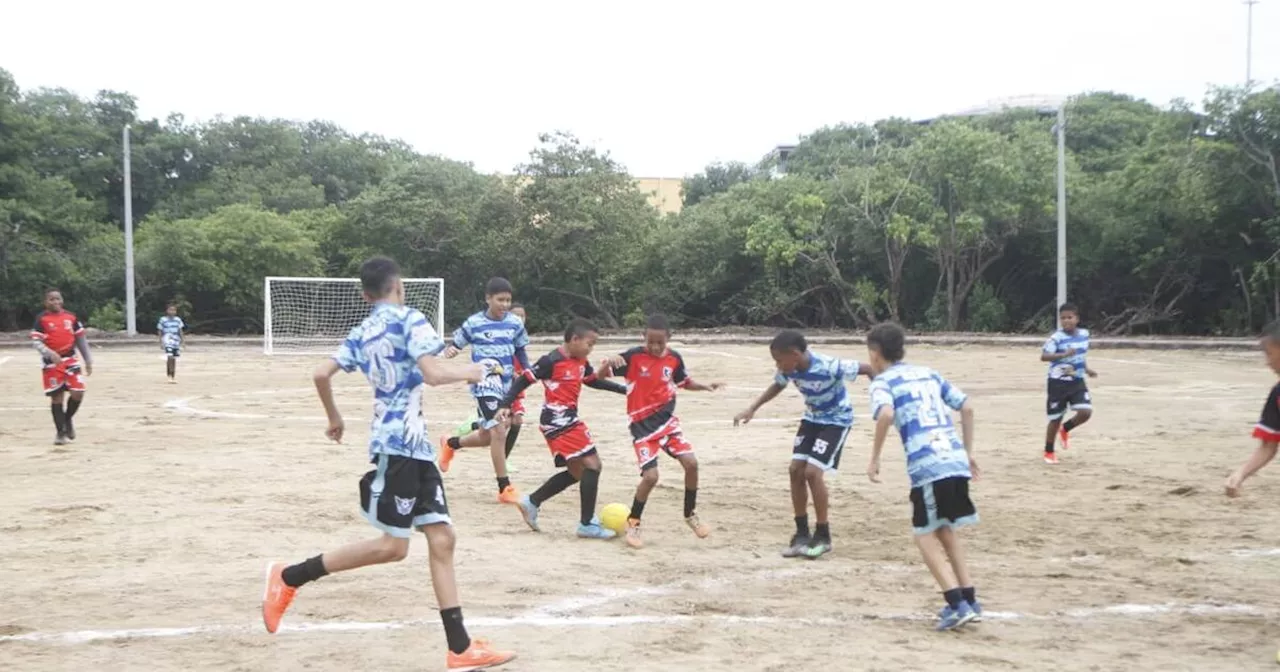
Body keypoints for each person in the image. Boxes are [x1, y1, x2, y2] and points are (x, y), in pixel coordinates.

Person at [261, 256, 515, 671]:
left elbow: (321, 374)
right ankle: (289, 576)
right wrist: (474, 371)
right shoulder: (410, 318)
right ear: (399, 288)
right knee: (392, 547)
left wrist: (334, 418)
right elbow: (432, 372)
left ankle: (460, 647)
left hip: (413, 449)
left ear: (365, 295)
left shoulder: (362, 330)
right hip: (398, 448)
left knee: (442, 538)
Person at [864, 322, 982, 631]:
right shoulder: (929, 372)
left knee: (923, 534)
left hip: (929, 465)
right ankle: (970, 598)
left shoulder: (882, 382)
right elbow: (967, 407)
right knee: (944, 529)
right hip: (954, 458)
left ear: (875, 354)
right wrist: (968, 453)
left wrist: (874, 457)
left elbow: (886, 414)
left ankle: (955, 603)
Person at [734, 330, 871, 558]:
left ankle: (823, 535)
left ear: (795, 354)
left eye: (779, 360)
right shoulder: (790, 369)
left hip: (836, 421)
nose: (778, 365)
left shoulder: (829, 366)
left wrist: (884, 398)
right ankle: (801, 534)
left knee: (812, 473)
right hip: (812, 419)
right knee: (795, 470)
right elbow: (778, 384)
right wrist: (752, 408)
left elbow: (868, 369)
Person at [596, 313, 724, 549]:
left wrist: (705, 386)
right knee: (651, 477)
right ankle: (633, 521)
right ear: (643, 337)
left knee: (692, 464)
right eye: (650, 341)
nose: (655, 347)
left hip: (667, 424)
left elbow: (684, 382)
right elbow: (600, 375)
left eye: (660, 342)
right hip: (642, 428)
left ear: (668, 339)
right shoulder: (633, 357)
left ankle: (690, 514)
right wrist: (608, 362)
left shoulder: (674, 359)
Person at [499, 318, 627, 539]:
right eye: (590, 343)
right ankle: (587, 524)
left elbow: (591, 380)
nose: (591, 349)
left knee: (578, 472)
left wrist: (623, 390)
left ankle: (532, 502)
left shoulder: (580, 361)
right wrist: (504, 404)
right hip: (558, 421)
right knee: (593, 465)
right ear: (575, 339)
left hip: (567, 420)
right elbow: (522, 381)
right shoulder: (551, 360)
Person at [440, 277, 530, 504]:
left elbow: (520, 351)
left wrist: (528, 372)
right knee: (499, 431)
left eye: (508, 300)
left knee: (487, 435)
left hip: (507, 384)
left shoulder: (515, 324)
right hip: (484, 383)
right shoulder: (474, 323)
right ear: (488, 299)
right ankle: (504, 487)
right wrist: (451, 350)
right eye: (500, 300)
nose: (505, 305)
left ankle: (451, 444)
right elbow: (455, 344)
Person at [30, 288, 93, 445]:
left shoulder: (70, 317)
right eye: (52, 299)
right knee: (57, 397)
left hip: (70, 359)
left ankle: (67, 419)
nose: (56, 302)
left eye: (58, 298)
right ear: (46, 302)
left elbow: (81, 340)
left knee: (78, 392)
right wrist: (49, 353)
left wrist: (88, 360)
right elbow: (36, 342)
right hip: (52, 363)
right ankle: (60, 433)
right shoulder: (41, 319)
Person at [1225, 320, 1280, 499]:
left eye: (1269, 354)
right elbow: (1267, 446)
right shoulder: (1277, 395)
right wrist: (1240, 474)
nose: (1268, 362)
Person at [1041, 302, 1098, 464]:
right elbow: (1044, 356)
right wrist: (1063, 354)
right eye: (1063, 318)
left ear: (1077, 319)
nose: (1066, 321)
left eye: (1069, 317)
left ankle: (1066, 429)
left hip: (1077, 380)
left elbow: (1080, 355)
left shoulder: (1084, 335)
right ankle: (1049, 451)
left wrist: (1087, 369)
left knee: (1086, 412)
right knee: (1055, 418)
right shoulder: (1056, 338)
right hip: (1057, 382)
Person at [156, 303, 186, 383]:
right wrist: (161, 342)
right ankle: (169, 375)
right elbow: (160, 330)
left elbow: (180, 330)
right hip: (167, 338)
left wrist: (183, 341)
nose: (172, 311)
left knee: (174, 358)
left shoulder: (178, 320)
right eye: (170, 310)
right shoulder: (163, 320)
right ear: (167, 311)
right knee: (169, 356)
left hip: (176, 339)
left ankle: (173, 375)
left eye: (174, 310)